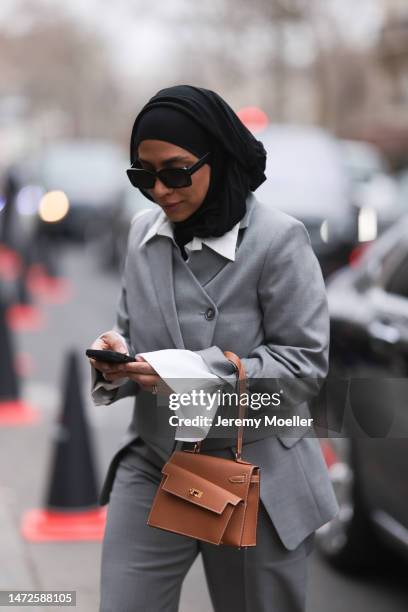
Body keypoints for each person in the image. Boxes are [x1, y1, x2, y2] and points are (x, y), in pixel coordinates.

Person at [88, 84, 339, 612]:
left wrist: (196, 373)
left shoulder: (277, 240)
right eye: (143, 175)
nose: (160, 190)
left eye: (176, 172)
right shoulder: (140, 234)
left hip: (252, 466)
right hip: (157, 458)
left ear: (217, 159)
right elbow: (135, 331)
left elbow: (304, 368)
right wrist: (118, 357)